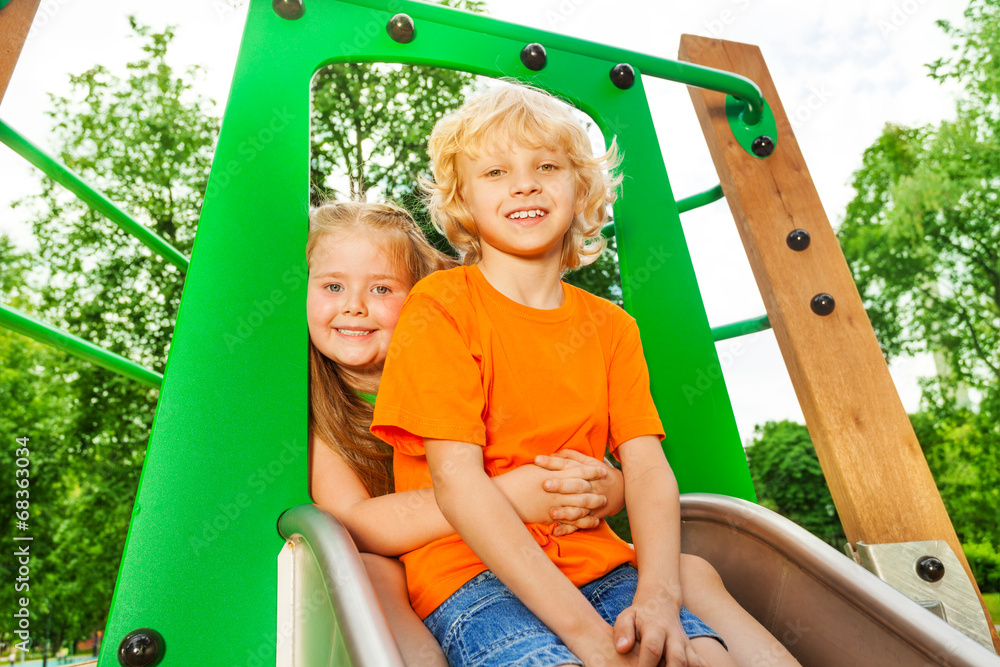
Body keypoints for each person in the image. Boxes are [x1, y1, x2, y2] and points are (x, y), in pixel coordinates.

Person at [371, 84, 801, 667]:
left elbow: (646, 467)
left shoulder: (611, 328)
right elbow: (458, 485)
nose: (525, 183)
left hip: (599, 565)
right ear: (463, 201)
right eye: (495, 171)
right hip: (474, 574)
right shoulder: (442, 306)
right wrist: (587, 637)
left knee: (706, 658)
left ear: (582, 191)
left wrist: (658, 597)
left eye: (547, 166)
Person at [306, 200, 629, 666]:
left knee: (687, 575)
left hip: (524, 560)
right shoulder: (320, 411)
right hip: (426, 575)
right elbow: (351, 524)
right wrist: (506, 496)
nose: (354, 306)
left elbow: (552, 450)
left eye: (381, 288)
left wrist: (608, 487)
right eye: (333, 286)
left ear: (421, 300)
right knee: (377, 575)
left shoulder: (469, 362)